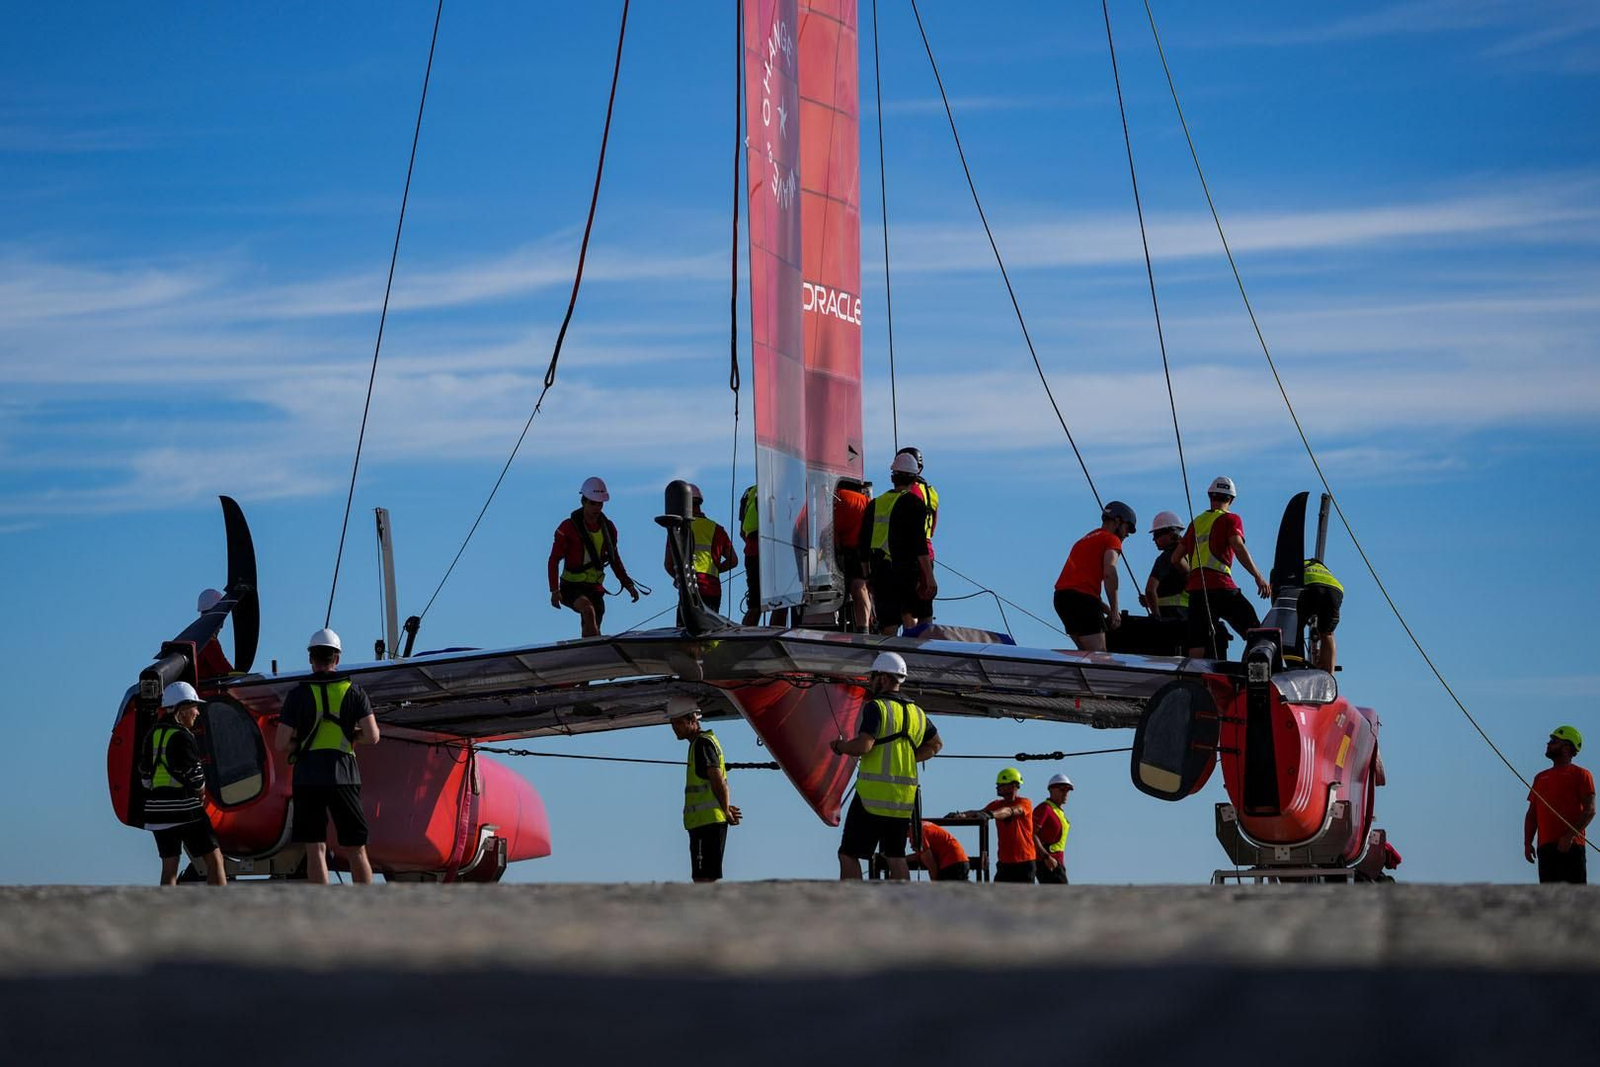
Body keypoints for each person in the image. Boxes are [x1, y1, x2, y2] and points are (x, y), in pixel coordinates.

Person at [273, 629, 380, 885]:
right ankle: (367, 903)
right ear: (337, 659)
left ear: (311, 658)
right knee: (356, 847)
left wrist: (301, 743)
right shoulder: (354, 692)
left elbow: (281, 743)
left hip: (307, 778)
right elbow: (373, 736)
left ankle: (321, 904)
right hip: (344, 776)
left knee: (315, 847)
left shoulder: (297, 695)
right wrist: (352, 736)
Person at [831, 651, 943, 879]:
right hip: (902, 800)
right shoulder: (917, 712)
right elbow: (936, 745)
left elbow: (864, 746)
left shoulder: (877, 707)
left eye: (872, 677)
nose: (870, 681)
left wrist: (840, 746)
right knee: (895, 856)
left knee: (848, 854)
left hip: (872, 797)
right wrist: (908, 758)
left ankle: (852, 899)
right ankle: (902, 900)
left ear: (882, 678)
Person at [1169, 476, 1271, 659]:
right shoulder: (1231, 519)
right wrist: (1258, 576)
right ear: (1231, 499)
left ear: (1210, 496)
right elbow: (1238, 546)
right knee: (1255, 632)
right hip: (1222, 587)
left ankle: (1194, 676)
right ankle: (1250, 671)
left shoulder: (1196, 523)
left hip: (1197, 591)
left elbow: (1175, 558)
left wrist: (1192, 576)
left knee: (1197, 643)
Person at [142, 681, 227, 886]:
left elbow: (145, 776)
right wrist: (201, 788)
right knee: (215, 860)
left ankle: (165, 905)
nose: (197, 713)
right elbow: (195, 776)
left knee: (169, 868)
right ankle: (222, 903)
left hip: (156, 813)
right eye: (194, 707)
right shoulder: (183, 736)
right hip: (185, 811)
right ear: (182, 709)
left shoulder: (152, 734)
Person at [549, 476, 639, 637]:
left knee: (594, 620)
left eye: (600, 503)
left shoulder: (609, 529)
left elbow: (614, 559)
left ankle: (591, 647)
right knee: (588, 610)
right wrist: (555, 590)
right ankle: (592, 646)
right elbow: (553, 560)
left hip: (595, 588)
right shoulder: (567, 528)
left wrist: (627, 583)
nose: (597, 507)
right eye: (592, 503)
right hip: (570, 587)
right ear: (583, 501)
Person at [668, 695, 741, 883]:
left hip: (707, 824)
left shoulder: (702, 744)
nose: (674, 728)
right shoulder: (699, 744)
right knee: (704, 878)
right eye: (672, 723)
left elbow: (718, 780)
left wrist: (726, 810)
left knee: (703, 879)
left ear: (693, 720)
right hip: (703, 823)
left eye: (678, 722)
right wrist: (725, 807)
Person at [860, 453, 935, 634]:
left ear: (893, 478)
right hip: (907, 573)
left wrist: (868, 576)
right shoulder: (915, 504)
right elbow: (919, 545)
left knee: (889, 625)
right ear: (914, 478)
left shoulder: (874, 504)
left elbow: (863, 545)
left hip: (881, 573)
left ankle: (890, 652)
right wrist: (929, 576)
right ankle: (916, 650)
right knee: (922, 618)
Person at [1053, 501, 1136, 651]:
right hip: (1082, 601)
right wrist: (1115, 610)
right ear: (1118, 521)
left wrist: (1106, 610)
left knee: (1085, 655)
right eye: (1128, 528)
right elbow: (1110, 573)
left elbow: (1078, 586)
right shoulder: (1112, 539)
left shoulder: (1085, 539)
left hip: (1061, 599)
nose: (1127, 534)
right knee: (1099, 656)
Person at [1524, 726, 1594, 885]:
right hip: (1545, 849)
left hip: (1572, 847)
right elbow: (1532, 814)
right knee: (1548, 898)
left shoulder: (1582, 774)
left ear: (1567, 747)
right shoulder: (1540, 778)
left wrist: (1569, 836)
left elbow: (1590, 810)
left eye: (1554, 741)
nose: (1548, 744)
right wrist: (1527, 843)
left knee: (1575, 897)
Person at [663, 483, 737, 614]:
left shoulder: (677, 530)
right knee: (711, 626)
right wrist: (715, 570)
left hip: (688, 589)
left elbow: (669, 564)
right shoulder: (717, 529)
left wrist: (678, 578)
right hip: (712, 589)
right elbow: (733, 560)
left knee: (686, 626)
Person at [955, 767, 1035, 883]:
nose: (997, 787)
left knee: (1025, 895)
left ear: (1013, 785)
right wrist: (960, 815)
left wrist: (991, 814)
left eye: (1001, 784)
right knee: (998, 893)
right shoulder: (996, 804)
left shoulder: (1024, 803)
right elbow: (978, 813)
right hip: (1004, 863)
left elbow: (1010, 811)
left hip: (1025, 862)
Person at [833, 477, 873, 631]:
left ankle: (857, 628)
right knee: (860, 586)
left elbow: (832, 531)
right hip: (864, 547)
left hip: (847, 548)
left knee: (853, 587)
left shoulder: (834, 498)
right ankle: (864, 629)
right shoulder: (864, 501)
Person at [1141, 511, 1189, 620]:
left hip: (1170, 616)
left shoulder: (1167, 557)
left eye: (1157, 535)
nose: (1154, 539)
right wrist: (1151, 601)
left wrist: (1156, 616)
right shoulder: (1190, 555)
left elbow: (1150, 590)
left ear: (1171, 533)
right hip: (1188, 616)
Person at [1299, 558, 1343, 672]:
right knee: (1327, 633)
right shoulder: (1316, 565)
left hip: (1310, 586)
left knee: (1295, 630)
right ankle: (1329, 674)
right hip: (1335, 589)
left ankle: (1296, 668)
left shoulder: (1283, 567)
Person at [896, 446, 939, 558]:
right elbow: (932, 529)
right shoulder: (931, 492)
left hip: (909, 551)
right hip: (928, 551)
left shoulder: (908, 492)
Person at [1033, 772, 1073, 884]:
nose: (1065, 793)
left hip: (1057, 863)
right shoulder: (1044, 808)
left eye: (1068, 790)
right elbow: (1031, 834)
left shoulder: (1059, 812)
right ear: (1051, 790)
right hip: (1047, 863)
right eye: (1062, 789)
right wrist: (1046, 857)